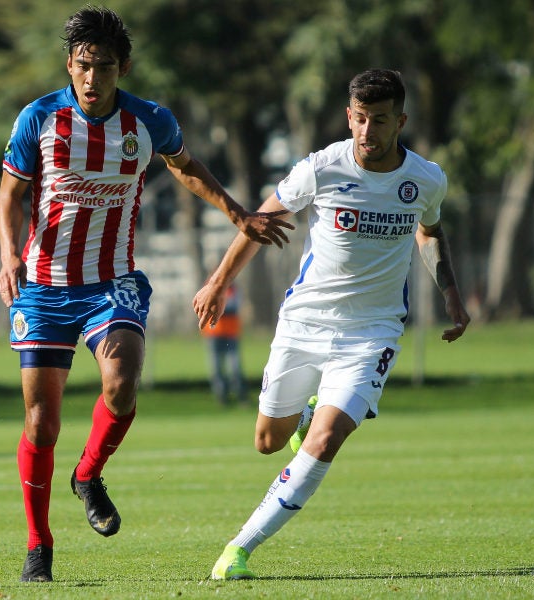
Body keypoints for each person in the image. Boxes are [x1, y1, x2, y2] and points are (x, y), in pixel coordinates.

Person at [0, 6, 292, 583]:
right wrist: (9, 253)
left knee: (124, 381)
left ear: (121, 68)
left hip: (113, 281)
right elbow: (9, 196)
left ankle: (88, 475)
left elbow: (185, 166)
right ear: (69, 65)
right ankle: (38, 545)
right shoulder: (38, 119)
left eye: (103, 67)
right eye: (82, 66)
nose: (91, 77)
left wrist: (238, 214)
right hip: (44, 287)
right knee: (40, 423)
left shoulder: (148, 121)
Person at [193, 69, 470, 580]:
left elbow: (429, 235)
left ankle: (239, 549)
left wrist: (451, 295)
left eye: (380, 120)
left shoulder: (426, 179)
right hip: (305, 322)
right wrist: (216, 283)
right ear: (349, 116)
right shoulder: (320, 168)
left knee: (326, 440)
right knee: (267, 442)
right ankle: (303, 416)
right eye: (360, 119)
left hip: (374, 331)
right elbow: (260, 223)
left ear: (400, 121)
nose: (368, 131)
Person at [200, 283, 246, 406]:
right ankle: (222, 397)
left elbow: (233, 307)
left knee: (235, 366)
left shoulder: (233, 289)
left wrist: (219, 306)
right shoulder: (208, 287)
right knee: (216, 367)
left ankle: (241, 395)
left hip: (230, 332)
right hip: (213, 332)